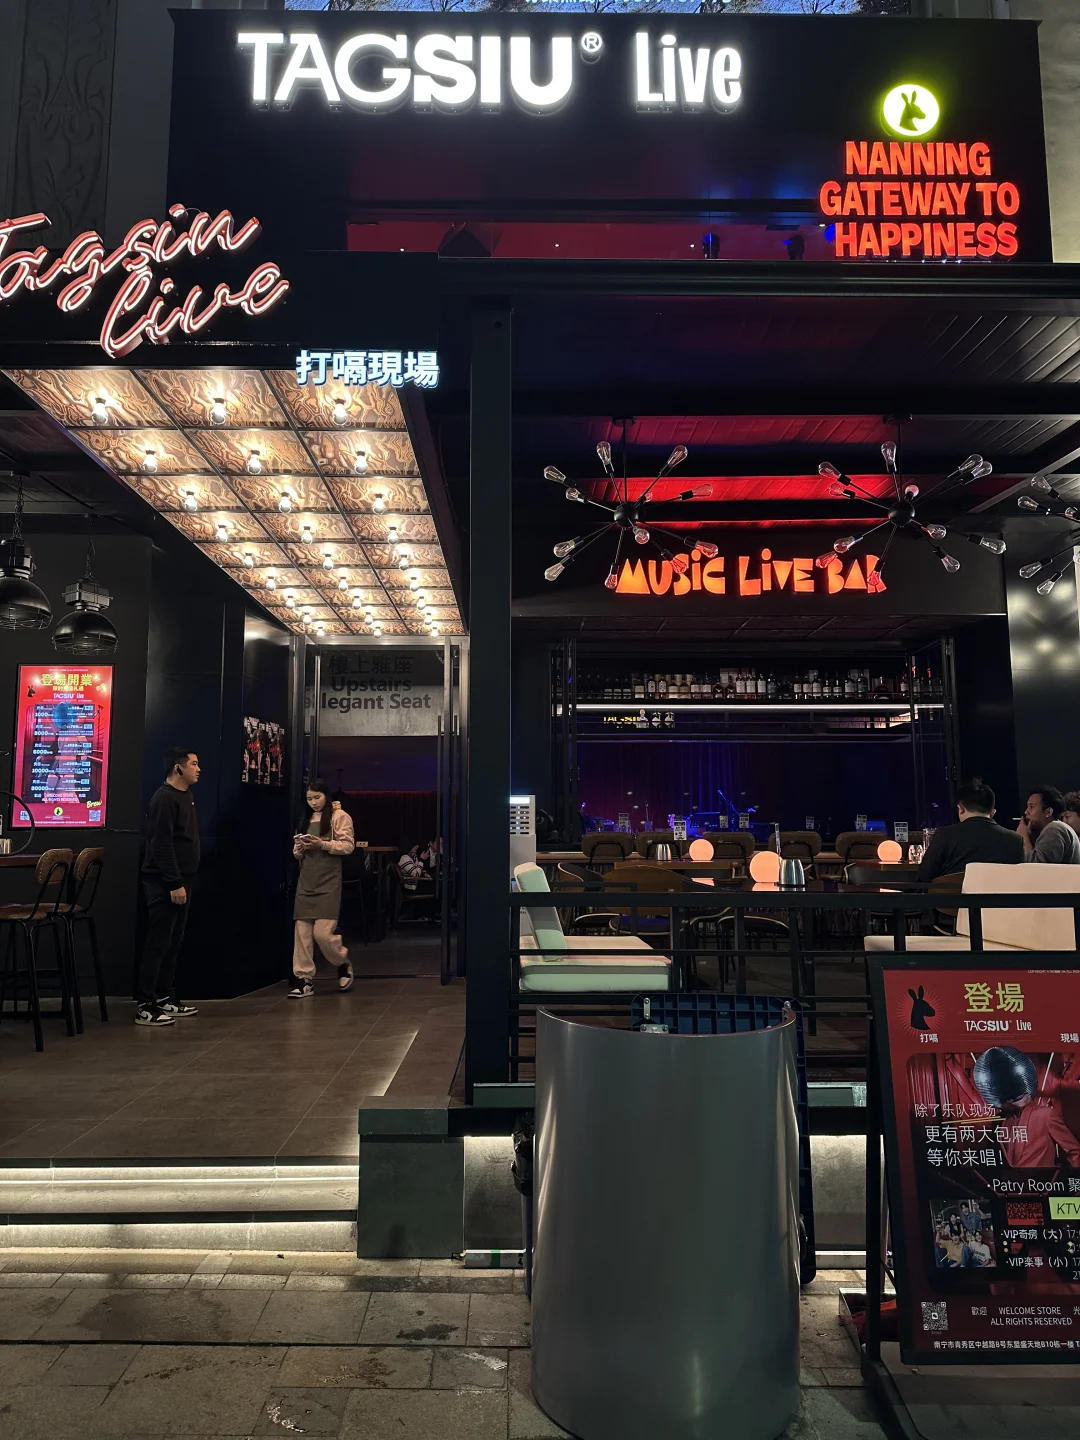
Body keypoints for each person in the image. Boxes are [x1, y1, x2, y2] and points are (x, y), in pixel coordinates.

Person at [137, 748, 201, 1027]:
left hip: (183, 880)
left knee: (173, 942)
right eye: (194, 764)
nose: (198, 769)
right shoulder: (164, 799)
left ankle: (165, 997)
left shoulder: (185, 796)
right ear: (178, 768)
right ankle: (145, 1004)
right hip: (164, 883)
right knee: (158, 942)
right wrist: (174, 882)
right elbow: (161, 844)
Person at [288, 780, 355, 998]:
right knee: (302, 934)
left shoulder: (339, 816)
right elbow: (296, 854)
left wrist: (322, 844)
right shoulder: (305, 819)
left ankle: (342, 962)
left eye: (317, 797)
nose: (314, 802)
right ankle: (304, 979)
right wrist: (299, 848)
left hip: (329, 881)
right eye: (309, 799)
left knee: (322, 934)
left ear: (326, 796)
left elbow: (348, 846)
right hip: (306, 880)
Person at [916, 779, 1023, 883]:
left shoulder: (944, 835)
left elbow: (924, 877)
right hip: (999, 895)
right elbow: (1018, 881)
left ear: (961, 809)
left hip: (952, 895)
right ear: (992, 812)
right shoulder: (1015, 840)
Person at [1017, 786, 1080, 864]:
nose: (1026, 812)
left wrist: (1023, 837)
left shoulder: (1055, 829)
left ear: (1048, 812)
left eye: (1031, 807)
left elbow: (1035, 866)